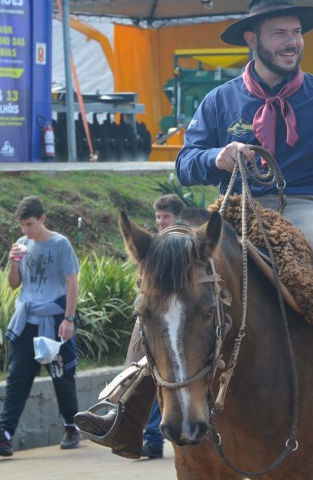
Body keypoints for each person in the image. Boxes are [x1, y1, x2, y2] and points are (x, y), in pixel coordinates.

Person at [75, 0, 313, 452]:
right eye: (280, 33)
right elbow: (185, 161)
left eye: (296, 32)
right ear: (253, 39)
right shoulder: (221, 100)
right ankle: (123, 410)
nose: (292, 41)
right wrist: (220, 155)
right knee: (167, 282)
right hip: (233, 208)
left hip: (302, 204)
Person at [0, 196, 82, 457]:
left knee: (62, 377)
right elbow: (14, 284)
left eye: (30, 224)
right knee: (17, 377)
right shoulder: (22, 245)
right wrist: (13, 263)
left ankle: (71, 426)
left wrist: (69, 319)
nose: (26, 230)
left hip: (56, 318)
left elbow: (72, 282)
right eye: (22, 225)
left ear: (42, 219)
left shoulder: (60, 244)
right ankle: (4, 435)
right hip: (27, 319)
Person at [137, 193, 187, 460]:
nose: (160, 221)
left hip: (183, 325)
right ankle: (121, 417)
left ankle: (153, 437)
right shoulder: (154, 244)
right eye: (158, 217)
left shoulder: (187, 244)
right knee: (142, 371)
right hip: (157, 322)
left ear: (178, 217)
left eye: (165, 217)